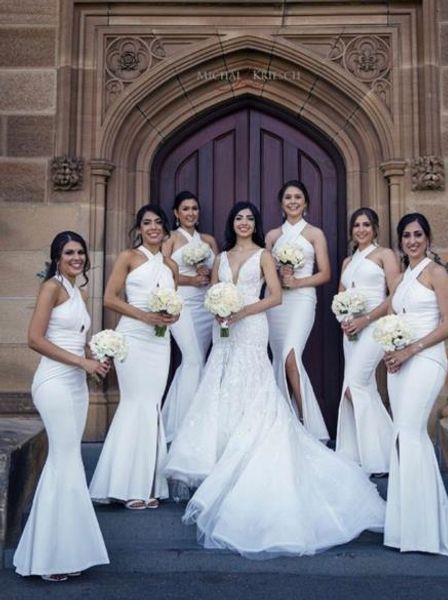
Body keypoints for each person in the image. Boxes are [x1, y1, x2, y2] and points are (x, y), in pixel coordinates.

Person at [163, 202, 385, 558]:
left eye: (250, 218)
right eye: (239, 218)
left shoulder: (265, 255)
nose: (245, 223)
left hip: (250, 326)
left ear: (256, 223)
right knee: (220, 386)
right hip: (225, 331)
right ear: (231, 223)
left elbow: (276, 296)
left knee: (253, 383)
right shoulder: (219, 257)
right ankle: (220, 460)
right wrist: (219, 310)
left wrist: (242, 311)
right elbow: (209, 293)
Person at [13, 231, 109, 581]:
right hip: (53, 382)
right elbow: (34, 339)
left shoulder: (77, 291)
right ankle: (51, 557)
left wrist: (93, 358)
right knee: (64, 459)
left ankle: (63, 550)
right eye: (69, 252)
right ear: (57, 256)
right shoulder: (51, 287)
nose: (77, 258)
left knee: (67, 461)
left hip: (76, 385)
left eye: (80, 252)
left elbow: (76, 339)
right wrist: (80, 363)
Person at [383, 213, 448, 555]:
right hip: (400, 362)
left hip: (427, 360)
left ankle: (428, 531)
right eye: (406, 236)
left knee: (410, 431)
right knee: (403, 436)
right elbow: (391, 314)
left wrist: (412, 349)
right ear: (401, 241)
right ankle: (408, 527)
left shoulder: (436, 273)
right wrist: (390, 346)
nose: (412, 240)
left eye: (418, 234)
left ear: (427, 238)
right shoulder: (402, 278)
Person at [89, 205, 178, 510]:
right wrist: (145, 316)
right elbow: (110, 298)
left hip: (159, 342)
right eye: (146, 223)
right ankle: (124, 485)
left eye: (157, 222)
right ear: (139, 229)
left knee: (152, 404)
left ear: (165, 228)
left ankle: (149, 485)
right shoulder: (128, 257)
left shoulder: (171, 266)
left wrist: (169, 316)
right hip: (134, 338)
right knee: (134, 402)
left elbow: (174, 309)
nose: (152, 227)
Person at [335, 208, 399, 474]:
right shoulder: (348, 263)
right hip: (351, 332)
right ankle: (372, 455)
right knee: (364, 389)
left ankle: (382, 452)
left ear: (374, 228)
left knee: (355, 386)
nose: (361, 230)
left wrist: (366, 319)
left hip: (374, 328)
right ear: (352, 231)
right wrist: (344, 319)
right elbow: (340, 297)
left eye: (366, 225)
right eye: (356, 226)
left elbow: (396, 296)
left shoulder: (385, 255)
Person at [265, 180, 330, 440]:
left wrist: (298, 281)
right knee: (278, 359)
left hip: (303, 299)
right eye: (288, 198)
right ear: (281, 204)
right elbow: (265, 274)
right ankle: (283, 425)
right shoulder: (272, 236)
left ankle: (309, 426)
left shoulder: (315, 234)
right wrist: (280, 276)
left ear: (306, 203)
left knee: (291, 355)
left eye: (298, 197)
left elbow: (325, 273)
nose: (293, 201)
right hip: (278, 303)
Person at [162, 191, 218, 443]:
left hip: (205, 306)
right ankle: (183, 427)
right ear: (176, 213)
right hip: (181, 303)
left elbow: (219, 272)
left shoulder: (208, 240)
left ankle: (186, 421)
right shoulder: (170, 238)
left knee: (197, 362)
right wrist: (190, 279)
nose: (191, 213)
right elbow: (161, 273)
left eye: (194, 208)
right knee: (192, 359)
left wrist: (207, 274)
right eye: (185, 208)